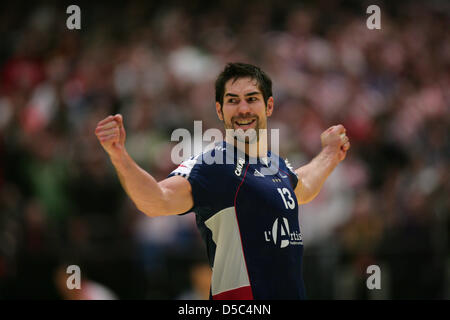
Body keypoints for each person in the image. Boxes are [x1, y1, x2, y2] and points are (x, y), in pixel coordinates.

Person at [95, 62, 350, 299]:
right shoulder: (213, 165)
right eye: (232, 101)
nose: (243, 109)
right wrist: (119, 156)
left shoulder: (277, 165)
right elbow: (157, 200)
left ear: (269, 106)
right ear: (219, 109)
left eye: (252, 99)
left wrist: (329, 154)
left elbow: (302, 188)